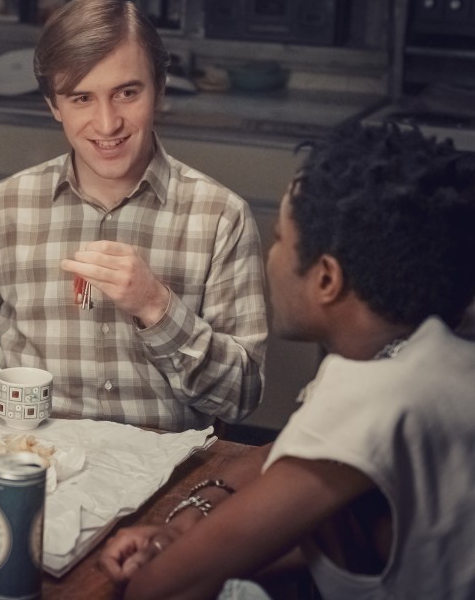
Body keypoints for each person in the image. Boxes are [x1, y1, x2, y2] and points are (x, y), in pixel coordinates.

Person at [99, 123, 475, 599]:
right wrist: (189, 524)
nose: (271, 256)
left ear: (326, 280)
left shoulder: (376, 399)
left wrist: (180, 552)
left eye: (279, 239)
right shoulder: (424, 362)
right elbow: (281, 462)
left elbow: (159, 589)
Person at [0, 0, 266, 431]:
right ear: (53, 105)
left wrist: (155, 305)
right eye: (81, 98)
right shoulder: (5, 208)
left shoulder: (220, 218)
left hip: (160, 475)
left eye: (126, 92)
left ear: (159, 89)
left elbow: (242, 397)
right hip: (32, 464)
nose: (107, 124)